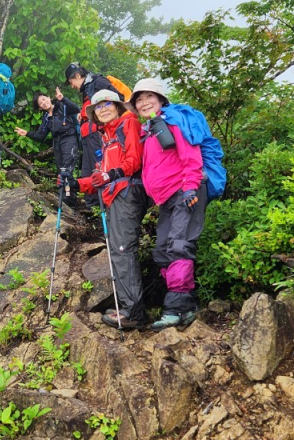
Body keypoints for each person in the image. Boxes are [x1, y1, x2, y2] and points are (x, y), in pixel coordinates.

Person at [67, 89, 149, 330]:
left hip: (128, 193)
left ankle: (133, 312)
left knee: (123, 250)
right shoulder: (106, 136)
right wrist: (76, 184)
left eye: (107, 105)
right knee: (117, 250)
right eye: (98, 107)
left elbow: (134, 160)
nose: (102, 109)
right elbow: (99, 178)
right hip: (114, 196)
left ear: (117, 106)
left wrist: (112, 174)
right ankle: (127, 307)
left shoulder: (128, 123)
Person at [129, 78, 205, 330]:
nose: (143, 103)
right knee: (162, 249)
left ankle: (176, 308)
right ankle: (188, 304)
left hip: (185, 192)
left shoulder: (172, 122)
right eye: (139, 99)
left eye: (149, 97)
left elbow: (191, 155)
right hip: (166, 200)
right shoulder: (150, 129)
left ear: (161, 100)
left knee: (179, 246)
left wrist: (191, 187)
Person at [64, 63, 121, 208]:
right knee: (87, 169)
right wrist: (83, 117)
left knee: (99, 166)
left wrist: (100, 121)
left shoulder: (98, 82)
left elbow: (118, 98)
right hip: (88, 135)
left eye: (71, 82)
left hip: (97, 134)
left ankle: (103, 203)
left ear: (77, 76)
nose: (72, 86)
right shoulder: (88, 88)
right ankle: (92, 205)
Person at [15, 87, 81, 207]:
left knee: (67, 170)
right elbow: (41, 136)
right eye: (41, 103)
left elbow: (76, 109)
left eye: (44, 99)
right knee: (61, 171)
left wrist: (63, 99)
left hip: (69, 140)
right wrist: (27, 133)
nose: (44, 103)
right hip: (57, 143)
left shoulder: (62, 106)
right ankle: (66, 198)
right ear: (40, 108)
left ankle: (69, 200)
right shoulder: (46, 118)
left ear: (49, 98)